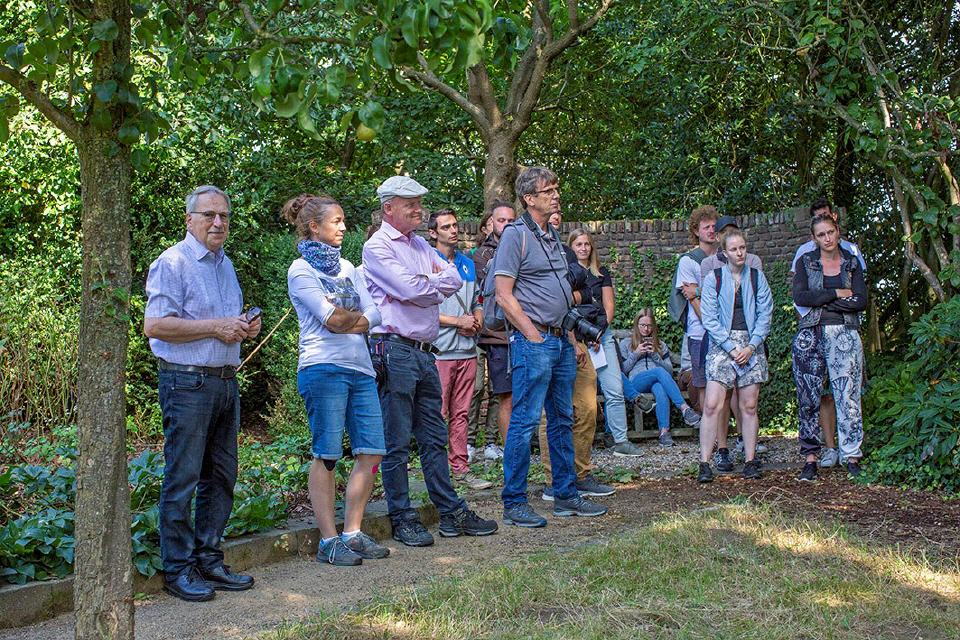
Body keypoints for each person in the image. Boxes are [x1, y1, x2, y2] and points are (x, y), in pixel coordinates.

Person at [363, 175, 498, 547]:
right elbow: (410, 289)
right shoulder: (377, 247)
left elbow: (449, 279)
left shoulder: (421, 244)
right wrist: (426, 284)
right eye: (411, 204)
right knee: (396, 441)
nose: (419, 210)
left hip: (425, 351)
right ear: (389, 208)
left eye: (420, 203)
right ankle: (402, 518)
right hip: (394, 349)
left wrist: (423, 285)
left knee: (434, 437)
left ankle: (450, 512)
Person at [144, 185, 260, 601]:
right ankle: (178, 570)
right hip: (186, 382)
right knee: (184, 478)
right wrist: (216, 326)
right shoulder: (172, 262)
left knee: (222, 477)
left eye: (224, 216)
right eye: (209, 215)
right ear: (189, 220)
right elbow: (156, 325)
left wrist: (244, 326)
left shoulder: (225, 265)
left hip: (224, 380)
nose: (218, 222)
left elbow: (224, 324)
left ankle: (209, 560)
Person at [495, 166, 608, 528]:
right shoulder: (515, 236)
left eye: (557, 189)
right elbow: (503, 294)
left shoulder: (552, 235)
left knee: (562, 418)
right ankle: (514, 503)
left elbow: (562, 294)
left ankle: (565, 496)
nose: (556, 195)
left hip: (561, 340)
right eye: (548, 191)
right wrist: (532, 335)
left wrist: (570, 337)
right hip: (536, 342)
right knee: (525, 421)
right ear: (529, 199)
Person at [284, 194, 390, 566]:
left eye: (343, 220)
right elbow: (330, 320)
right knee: (327, 455)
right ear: (314, 227)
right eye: (337, 221)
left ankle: (353, 533)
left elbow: (375, 313)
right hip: (322, 368)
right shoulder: (300, 270)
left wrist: (351, 319)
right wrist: (353, 319)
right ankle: (329, 541)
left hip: (361, 369)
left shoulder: (347, 267)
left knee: (372, 452)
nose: (344, 227)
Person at [790, 198, 867, 469]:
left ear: (837, 231)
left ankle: (851, 455)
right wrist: (836, 293)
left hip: (845, 332)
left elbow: (860, 300)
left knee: (848, 396)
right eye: (821, 234)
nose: (827, 238)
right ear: (814, 238)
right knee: (808, 397)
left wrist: (821, 300)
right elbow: (800, 297)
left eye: (830, 232)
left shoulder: (852, 262)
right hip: (811, 334)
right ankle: (810, 457)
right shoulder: (806, 262)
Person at [696, 228, 773, 483]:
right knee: (712, 404)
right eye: (734, 249)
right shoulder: (714, 278)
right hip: (722, 345)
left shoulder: (757, 277)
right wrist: (731, 347)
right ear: (725, 252)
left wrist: (751, 347)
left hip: (751, 344)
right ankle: (705, 462)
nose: (739, 253)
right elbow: (709, 318)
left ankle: (750, 460)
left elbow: (765, 315)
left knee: (749, 406)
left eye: (742, 248)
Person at [429, 208, 492, 490]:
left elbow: (478, 300)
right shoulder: (427, 263)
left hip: (467, 350)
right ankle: (437, 472)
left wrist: (477, 320)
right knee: (437, 413)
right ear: (433, 233)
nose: (453, 230)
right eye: (446, 227)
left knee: (462, 414)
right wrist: (458, 322)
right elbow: (421, 309)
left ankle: (460, 468)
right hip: (440, 352)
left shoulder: (467, 263)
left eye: (455, 225)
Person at [567, 228, 643, 457]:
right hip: (576, 338)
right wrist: (582, 338)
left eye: (586, 244)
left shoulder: (601, 273)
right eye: (578, 244)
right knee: (579, 395)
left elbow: (609, 306)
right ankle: (579, 445)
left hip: (602, 336)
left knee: (614, 388)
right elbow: (564, 307)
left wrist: (598, 333)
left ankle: (620, 441)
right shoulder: (566, 274)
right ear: (571, 247)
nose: (583, 248)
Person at [472, 200, 517, 460]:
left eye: (511, 221)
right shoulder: (483, 256)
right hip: (497, 336)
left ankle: (518, 450)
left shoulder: (525, 247)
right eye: (502, 220)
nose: (507, 225)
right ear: (492, 223)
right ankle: (512, 456)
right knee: (504, 396)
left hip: (523, 334)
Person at [619, 309, 701, 446]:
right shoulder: (626, 344)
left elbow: (669, 371)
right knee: (658, 371)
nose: (646, 329)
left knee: (660, 388)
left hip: (656, 381)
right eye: (643, 325)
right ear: (636, 325)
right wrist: (636, 354)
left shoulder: (661, 345)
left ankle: (664, 433)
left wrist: (655, 356)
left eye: (649, 325)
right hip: (636, 382)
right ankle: (684, 409)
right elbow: (623, 371)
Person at [672, 205, 718, 414]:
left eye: (714, 226)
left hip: (725, 329)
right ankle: (708, 428)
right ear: (696, 231)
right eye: (706, 227)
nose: (711, 230)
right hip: (699, 331)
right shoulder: (688, 261)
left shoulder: (724, 258)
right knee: (703, 384)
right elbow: (692, 299)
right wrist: (711, 324)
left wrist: (698, 290)